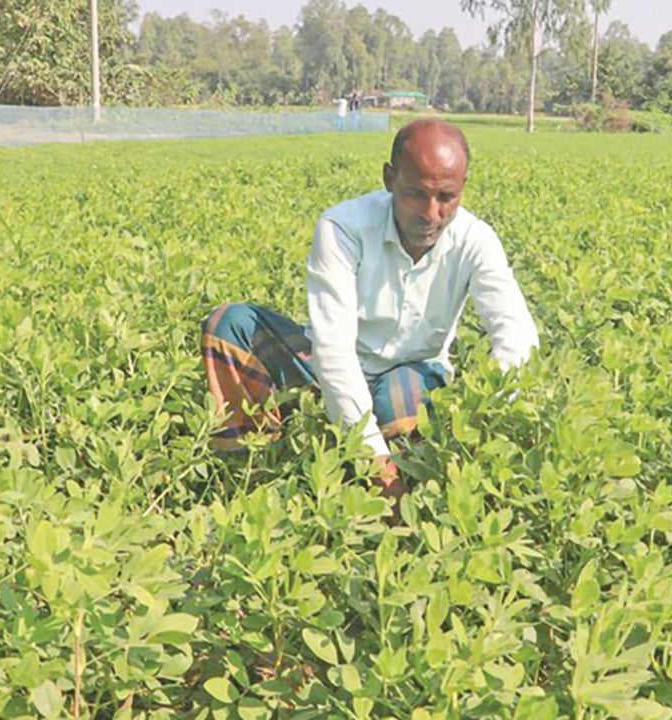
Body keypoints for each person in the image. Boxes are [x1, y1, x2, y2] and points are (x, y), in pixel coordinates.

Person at [201, 119, 539, 504]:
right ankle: (253, 473)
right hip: (328, 368)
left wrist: (483, 422)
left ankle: (402, 491)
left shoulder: (476, 240)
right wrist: (379, 465)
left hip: (414, 372)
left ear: (463, 186)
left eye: (446, 196)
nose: (432, 213)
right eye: (416, 194)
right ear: (389, 179)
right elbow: (333, 352)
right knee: (229, 326)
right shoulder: (343, 227)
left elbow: (517, 338)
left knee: (400, 399)